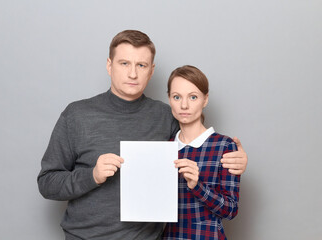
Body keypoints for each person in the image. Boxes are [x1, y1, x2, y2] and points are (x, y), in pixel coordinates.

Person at [37, 30, 247, 240]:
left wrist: (233, 160)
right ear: (109, 66)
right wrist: (92, 175)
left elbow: (198, 150)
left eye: (141, 65)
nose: (133, 74)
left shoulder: (166, 116)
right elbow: (47, 183)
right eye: (124, 63)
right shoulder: (76, 115)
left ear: (151, 70)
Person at [162, 65, 240, 240]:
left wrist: (198, 186)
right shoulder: (165, 148)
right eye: (177, 97)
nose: (184, 105)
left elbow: (231, 210)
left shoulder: (224, 146)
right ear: (169, 99)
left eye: (193, 97)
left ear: (205, 100)